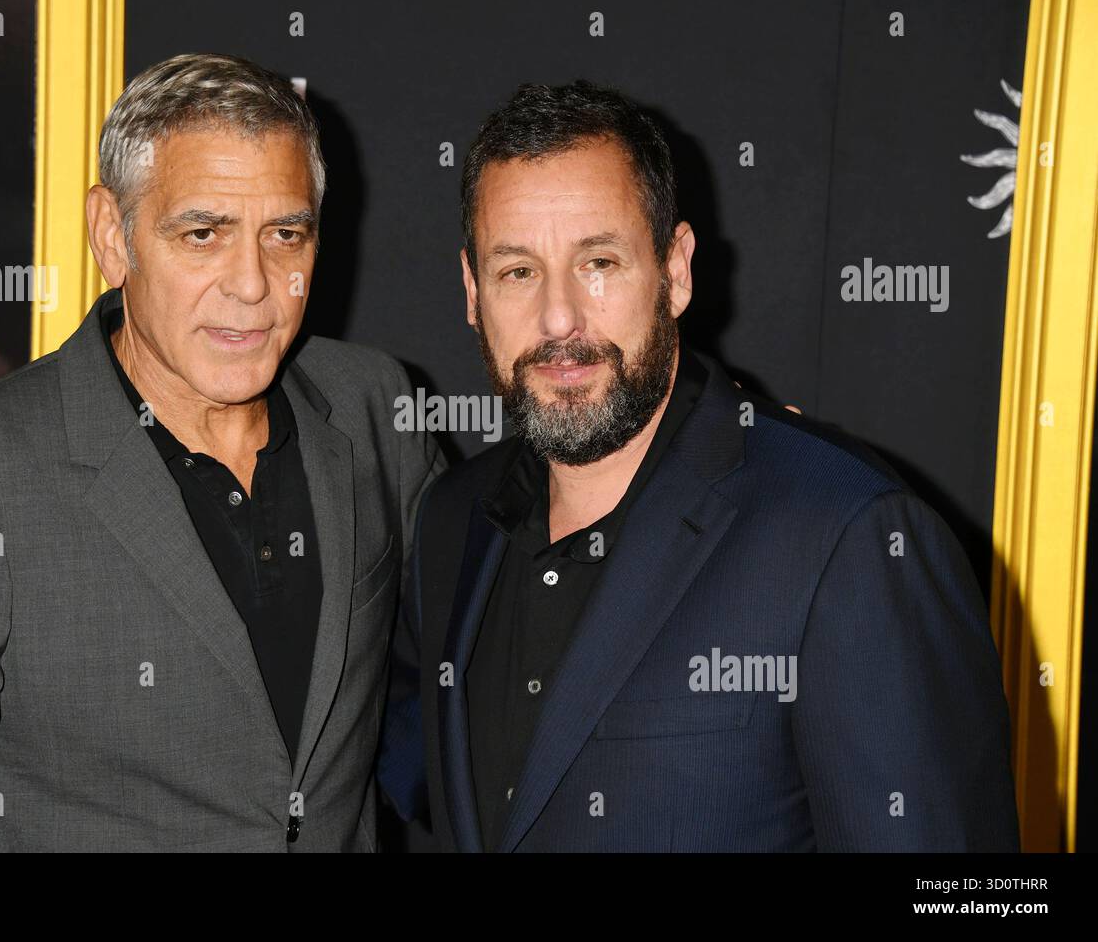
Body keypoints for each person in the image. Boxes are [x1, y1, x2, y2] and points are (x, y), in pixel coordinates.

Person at [0, 53, 443, 852]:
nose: (252, 283)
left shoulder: (375, 409)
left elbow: (464, 697)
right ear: (113, 234)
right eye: (203, 234)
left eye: (286, 234)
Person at [383, 81, 1019, 851]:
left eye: (600, 262)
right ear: (471, 290)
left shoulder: (848, 535)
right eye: (517, 271)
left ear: (675, 271)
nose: (559, 319)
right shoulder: (452, 519)